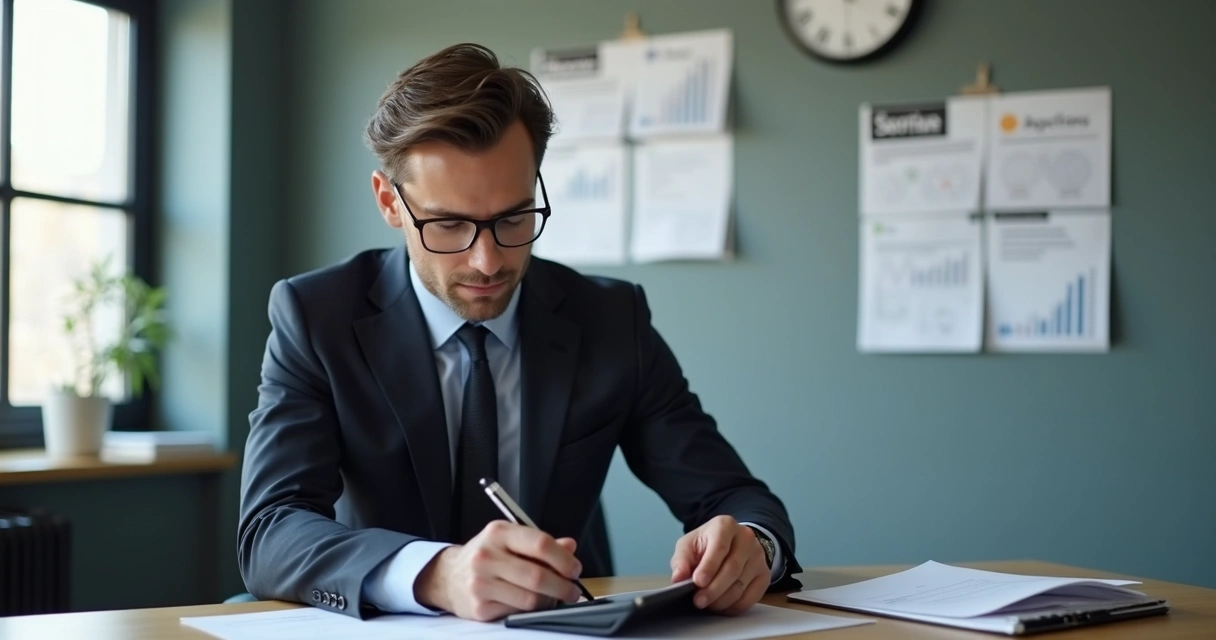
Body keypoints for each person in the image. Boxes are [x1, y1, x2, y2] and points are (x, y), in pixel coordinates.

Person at [238, 43, 800, 622]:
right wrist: (435, 574)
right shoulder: (316, 316)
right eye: (449, 224)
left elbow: (733, 496)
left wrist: (752, 544)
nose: (487, 261)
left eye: (513, 218)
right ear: (390, 203)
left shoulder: (610, 319)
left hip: (567, 627)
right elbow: (270, 529)